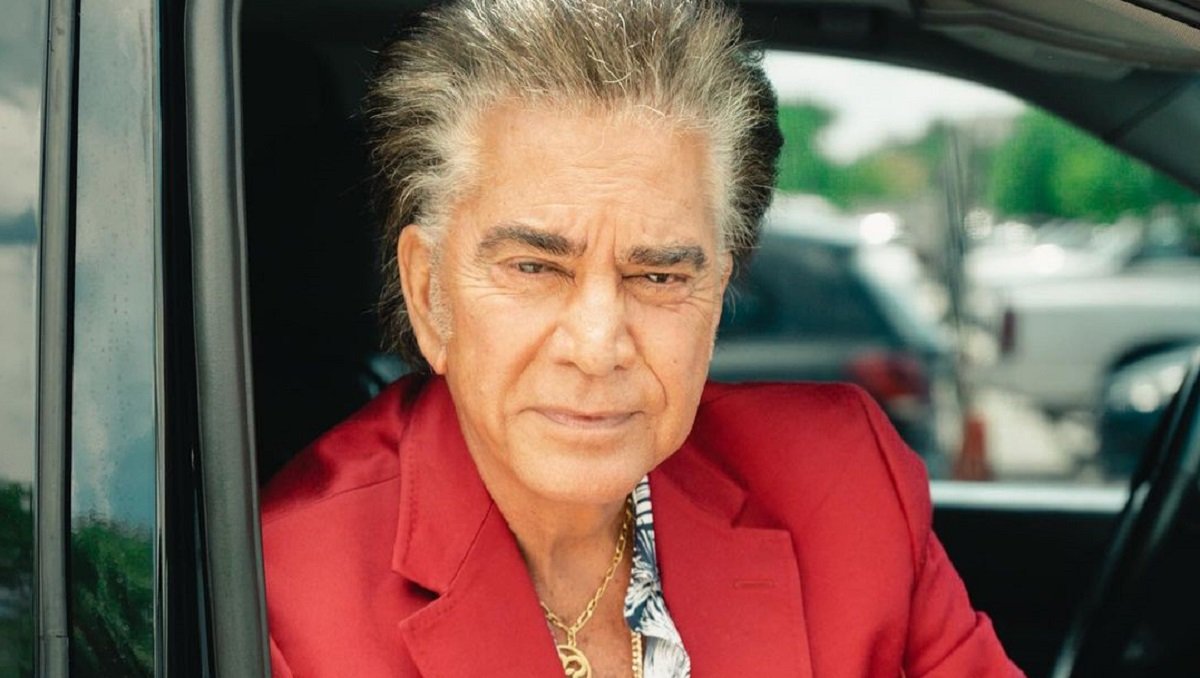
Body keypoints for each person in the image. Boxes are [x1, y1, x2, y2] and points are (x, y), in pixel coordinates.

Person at [260, 1, 1024, 676]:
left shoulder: (845, 486)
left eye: (658, 276)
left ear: (717, 294)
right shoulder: (288, 594)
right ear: (430, 294)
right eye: (535, 268)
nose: (598, 347)